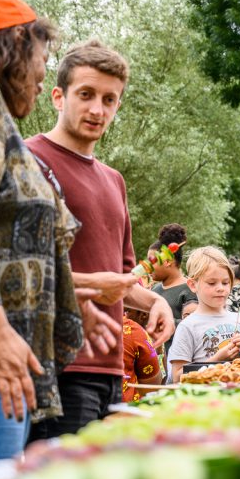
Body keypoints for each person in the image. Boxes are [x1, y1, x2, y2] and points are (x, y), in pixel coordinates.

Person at [0, 0, 117, 467]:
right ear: (13, 47)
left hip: (0, 368)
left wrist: (68, 303)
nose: (41, 73)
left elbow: (11, 234)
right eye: (41, 58)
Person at [25, 39, 176, 439]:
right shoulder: (28, 160)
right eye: (86, 95)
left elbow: (122, 276)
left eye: (109, 99)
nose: (97, 109)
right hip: (57, 363)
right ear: (58, 97)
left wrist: (155, 299)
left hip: (114, 370)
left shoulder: (114, 181)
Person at [168, 247, 240, 383]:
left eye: (225, 282)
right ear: (193, 285)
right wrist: (216, 360)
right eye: (212, 283)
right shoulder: (188, 326)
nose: (220, 288)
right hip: (205, 399)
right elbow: (176, 376)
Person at [150, 224, 196, 327]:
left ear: (167, 261)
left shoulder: (190, 290)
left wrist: (160, 320)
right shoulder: (154, 289)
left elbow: (194, 327)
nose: (148, 266)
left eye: (152, 261)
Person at [121, 316, 161, 402]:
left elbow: (151, 384)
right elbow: (151, 387)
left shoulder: (132, 331)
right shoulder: (131, 330)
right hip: (124, 411)